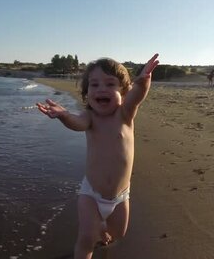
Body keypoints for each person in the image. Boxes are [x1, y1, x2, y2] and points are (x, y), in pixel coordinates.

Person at [37, 53, 159, 259]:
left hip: (121, 196)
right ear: (87, 94)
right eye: (94, 85)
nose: (101, 89)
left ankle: (103, 228)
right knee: (86, 240)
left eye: (110, 84)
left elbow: (137, 95)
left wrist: (143, 80)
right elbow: (77, 124)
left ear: (124, 91)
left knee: (118, 233)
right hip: (91, 194)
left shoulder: (125, 115)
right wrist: (64, 115)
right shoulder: (89, 117)